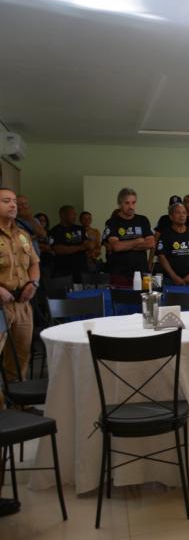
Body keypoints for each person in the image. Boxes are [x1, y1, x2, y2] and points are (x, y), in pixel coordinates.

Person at [0, 188, 40, 516]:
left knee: (21, 357)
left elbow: (35, 264)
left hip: (23, 302)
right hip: (0, 303)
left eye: (14, 201)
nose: (12, 205)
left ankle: (17, 408)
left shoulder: (23, 233)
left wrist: (33, 284)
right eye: (6, 201)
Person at [103, 187, 155, 287]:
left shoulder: (143, 220)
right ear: (120, 204)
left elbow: (151, 243)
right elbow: (116, 247)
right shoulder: (112, 222)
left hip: (142, 273)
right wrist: (138, 241)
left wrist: (125, 245)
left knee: (143, 297)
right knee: (120, 297)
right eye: (127, 203)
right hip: (119, 274)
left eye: (133, 202)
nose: (131, 206)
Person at [156, 202, 189, 286]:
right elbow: (161, 256)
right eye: (178, 213)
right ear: (171, 216)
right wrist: (174, 276)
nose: (182, 215)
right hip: (170, 280)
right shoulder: (165, 234)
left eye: (184, 213)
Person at [49, 205, 91, 282]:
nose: (75, 216)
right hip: (63, 271)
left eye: (75, 214)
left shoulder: (80, 229)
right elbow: (58, 249)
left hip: (81, 269)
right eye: (72, 214)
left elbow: (87, 245)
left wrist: (69, 248)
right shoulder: (55, 230)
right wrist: (80, 247)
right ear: (63, 215)